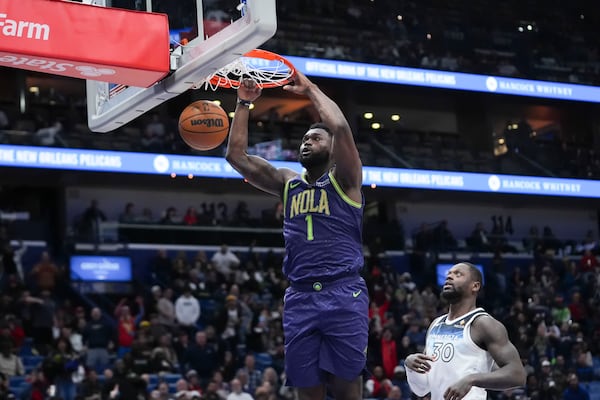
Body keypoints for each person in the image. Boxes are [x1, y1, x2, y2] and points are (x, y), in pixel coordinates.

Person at [225, 72, 368, 400]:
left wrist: (310, 90)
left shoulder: (346, 181)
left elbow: (342, 128)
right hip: (301, 296)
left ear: (333, 150)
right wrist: (244, 102)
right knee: (307, 392)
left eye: (316, 138)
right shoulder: (288, 183)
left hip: (343, 292)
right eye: (304, 138)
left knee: (347, 390)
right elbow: (237, 157)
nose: (307, 141)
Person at [405, 262, 526, 399]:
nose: (449, 277)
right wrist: (410, 366)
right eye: (449, 274)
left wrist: (472, 379)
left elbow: (518, 375)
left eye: (458, 274)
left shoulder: (483, 323)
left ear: (475, 286)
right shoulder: (436, 324)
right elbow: (423, 389)